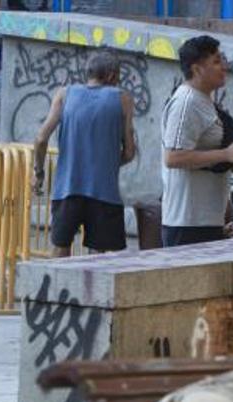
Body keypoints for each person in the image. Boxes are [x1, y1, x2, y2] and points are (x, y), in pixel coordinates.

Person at [32, 51, 136, 256]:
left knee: (61, 246)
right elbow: (130, 152)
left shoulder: (64, 94)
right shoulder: (123, 99)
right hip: (105, 192)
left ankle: (59, 286)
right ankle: (91, 289)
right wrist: (108, 163)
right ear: (112, 76)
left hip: (67, 188)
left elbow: (41, 138)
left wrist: (39, 172)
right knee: (97, 255)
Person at [160, 35, 233, 247]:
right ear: (197, 69)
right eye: (216, 62)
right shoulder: (186, 103)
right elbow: (173, 157)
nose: (224, 67)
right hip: (187, 223)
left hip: (209, 221)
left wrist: (225, 213)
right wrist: (227, 154)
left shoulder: (205, 101)